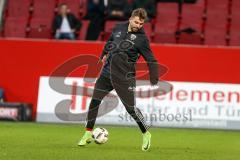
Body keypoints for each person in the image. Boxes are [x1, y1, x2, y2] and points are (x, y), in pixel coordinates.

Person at [78, 8, 159, 151]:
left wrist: (154, 76)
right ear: (130, 18)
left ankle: (146, 133)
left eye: (141, 24)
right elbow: (110, 41)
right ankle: (87, 133)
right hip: (107, 74)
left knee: (131, 109)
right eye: (136, 22)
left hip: (125, 78)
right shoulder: (118, 28)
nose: (138, 25)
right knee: (95, 102)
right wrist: (103, 53)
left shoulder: (142, 39)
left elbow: (151, 59)